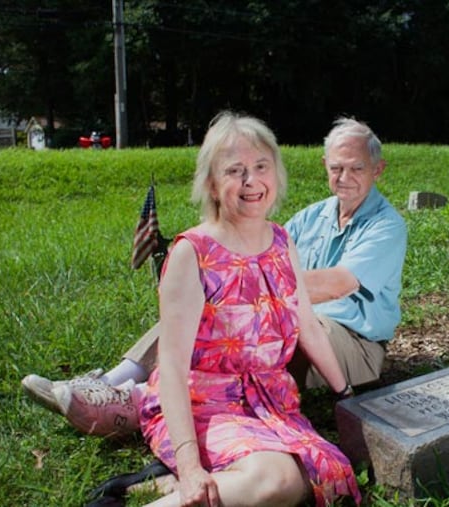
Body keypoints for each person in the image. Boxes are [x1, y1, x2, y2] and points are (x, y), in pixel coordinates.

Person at [21, 115, 408, 439]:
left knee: (239, 313)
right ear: (325, 166)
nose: (345, 177)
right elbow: (263, 254)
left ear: (378, 169)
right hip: (297, 315)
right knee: (199, 309)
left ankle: (134, 403)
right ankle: (112, 381)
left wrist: (236, 288)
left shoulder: (386, 226)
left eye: (357, 168)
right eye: (336, 167)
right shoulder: (312, 216)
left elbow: (337, 283)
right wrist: (217, 286)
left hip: (352, 341)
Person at [138, 111, 360, 506]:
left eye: (261, 166)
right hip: (203, 404)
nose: (251, 181)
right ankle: (180, 489)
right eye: (235, 171)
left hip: (272, 403)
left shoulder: (281, 242)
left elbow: (307, 325)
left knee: (321, 470)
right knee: (275, 480)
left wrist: (348, 393)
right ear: (210, 182)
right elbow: (171, 365)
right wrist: (190, 468)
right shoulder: (193, 253)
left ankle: (171, 485)